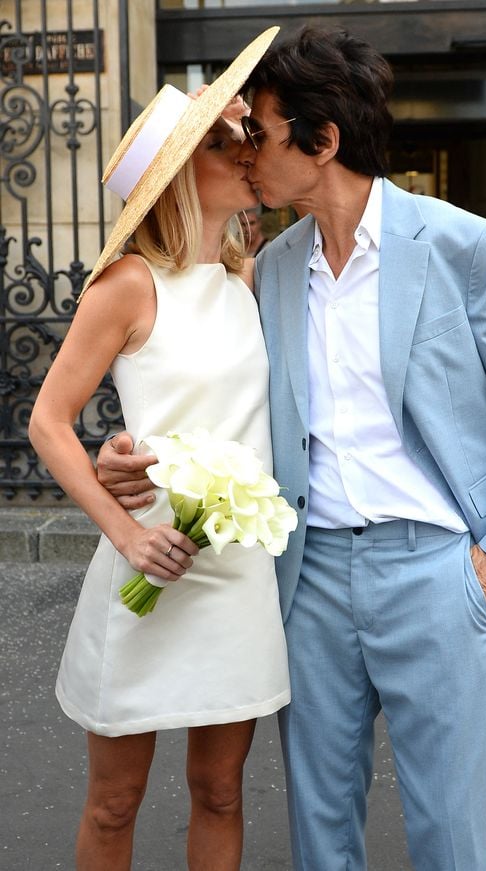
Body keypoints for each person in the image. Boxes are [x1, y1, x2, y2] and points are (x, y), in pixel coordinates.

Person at [96, 26, 486, 871]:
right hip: (309, 578)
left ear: (322, 143)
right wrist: (125, 453)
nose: (247, 154)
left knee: (451, 837)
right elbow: (213, 391)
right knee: (322, 837)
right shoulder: (271, 267)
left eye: (263, 133)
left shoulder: (464, 246)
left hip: (438, 570)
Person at [28, 28, 289, 871]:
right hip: (147, 565)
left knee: (221, 791)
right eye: (222, 141)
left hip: (235, 573)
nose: (245, 149)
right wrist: (126, 530)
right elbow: (47, 420)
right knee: (115, 803)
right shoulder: (128, 284)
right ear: (180, 176)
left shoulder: (245, 280)